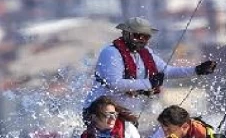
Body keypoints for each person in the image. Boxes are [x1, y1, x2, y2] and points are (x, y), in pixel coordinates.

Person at [83, 17, 217, 118]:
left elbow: (167, 71)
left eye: (146, 37)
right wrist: (149, 83)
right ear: (126, 34)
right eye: (137, 36)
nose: (142, 40)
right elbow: (114, 83)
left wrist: (196, 70)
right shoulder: (111, 52)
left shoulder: (145, 53)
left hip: (123, 113)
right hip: (99, 112)